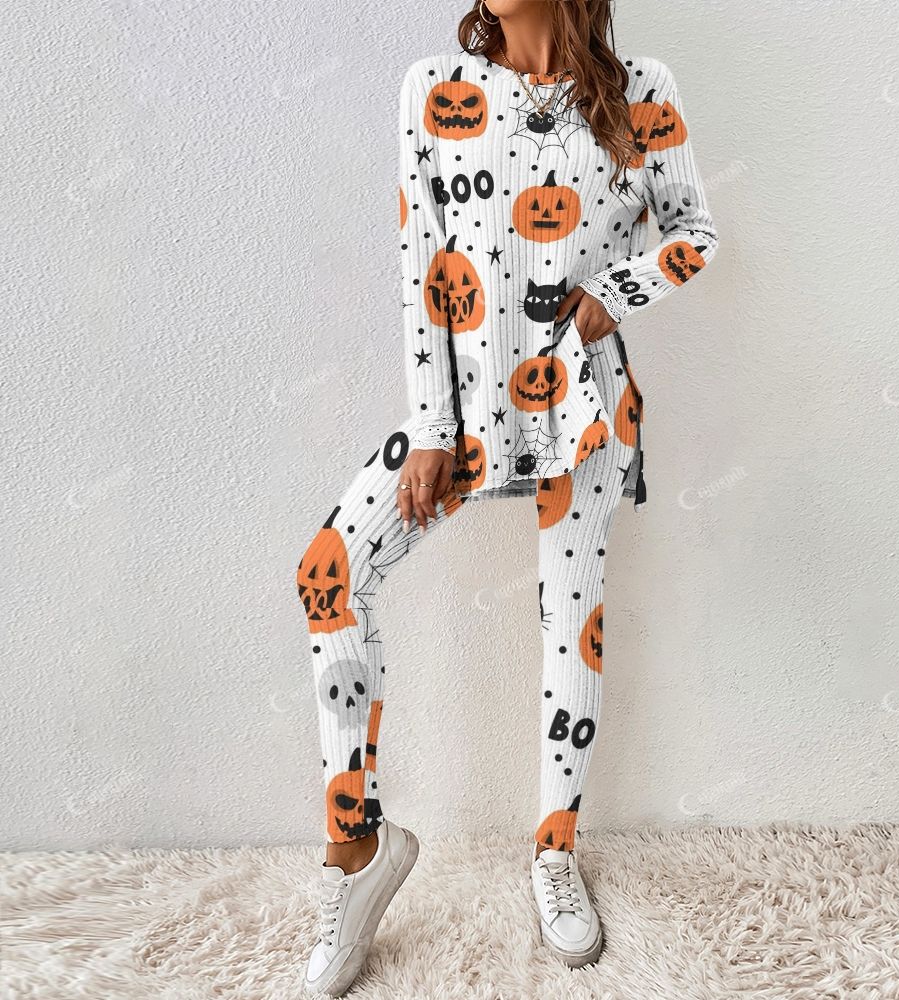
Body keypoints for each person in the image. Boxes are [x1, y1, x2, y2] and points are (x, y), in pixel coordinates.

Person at [296, 1, 719, 993]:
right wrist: (431, 429)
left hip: (585, 403)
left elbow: (694, 232)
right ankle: (357, 849)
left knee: (572, 622)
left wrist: (612, 294)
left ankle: (555, 852)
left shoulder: (641, 89)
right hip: (469, 412)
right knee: (330, 573)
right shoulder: (435, 90)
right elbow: (421, 262)